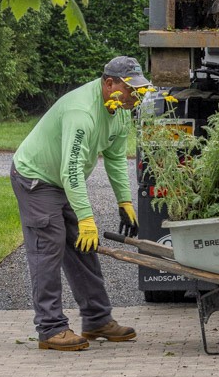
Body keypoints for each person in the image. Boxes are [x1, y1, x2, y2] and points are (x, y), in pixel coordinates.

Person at [10, 56, 148, 352]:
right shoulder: (81, 112)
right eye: (130, 89)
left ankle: (97, 319)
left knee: (85, 245)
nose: (135, 96)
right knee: (49, 246)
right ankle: (50, 328)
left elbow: (114, 156)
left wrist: (124, 200)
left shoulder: (120, 109)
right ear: (109, 83)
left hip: (62, 180)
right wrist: (86, 217)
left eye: (138, 90)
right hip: (37, 178)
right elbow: (70, 170)